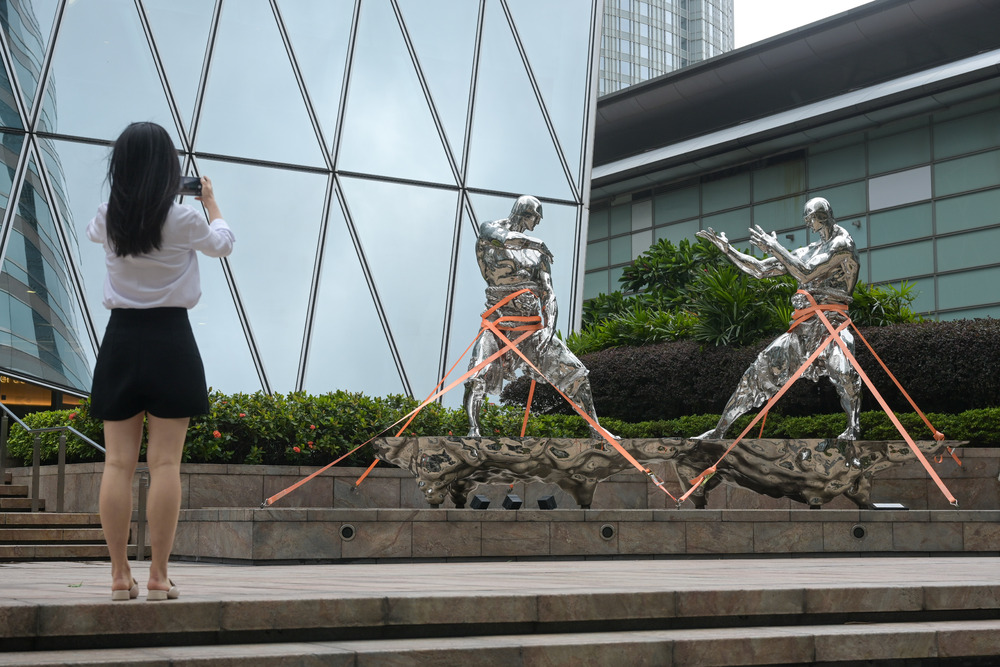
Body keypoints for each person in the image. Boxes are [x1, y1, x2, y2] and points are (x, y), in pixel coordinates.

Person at [88, 122, 234, 601]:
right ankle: (157, 575)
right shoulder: (185, 218)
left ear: (122, 168)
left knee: (118, 464)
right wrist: (209, 200)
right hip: (172, 339)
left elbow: (95, 233)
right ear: (169, 169)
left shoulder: (109, 217)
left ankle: (117, 576)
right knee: (166, 462)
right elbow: (223, 244)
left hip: (121, 340)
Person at [695, 197, 862, 440]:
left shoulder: (843, 244)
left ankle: (853, 428)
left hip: (832, 327)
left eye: (810, 217)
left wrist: (775, 247)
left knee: (844, 372)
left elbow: (806, 274)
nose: (808, 223)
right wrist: (728, 250)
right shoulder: (808, 250)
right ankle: (719, 432)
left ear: (822, 215)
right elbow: (760, 270)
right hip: (802, 329)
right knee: (757, 373)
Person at [463, 195, 610, 438]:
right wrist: (538, 243)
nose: (538, 223)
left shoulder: (537, 256)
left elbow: (548, 293)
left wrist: (549, 327)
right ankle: (473, 430)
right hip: (498, 325)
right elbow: (504, 239)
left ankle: (596, 429)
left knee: (577, 373)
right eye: (536, 217)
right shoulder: (490, 230)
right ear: (524, 213)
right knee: (476, 376)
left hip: (531, 329)